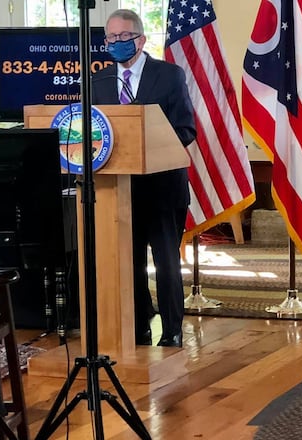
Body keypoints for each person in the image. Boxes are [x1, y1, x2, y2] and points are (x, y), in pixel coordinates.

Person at [92, 9, 196, 347]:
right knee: (130, 260)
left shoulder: (168, 75)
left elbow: (185, 129)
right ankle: (139, 324)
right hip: (119, 188)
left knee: (165, 260)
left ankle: (172, 329)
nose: (117, 43)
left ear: (140, 38)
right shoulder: (99, 82)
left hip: (163, 186)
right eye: (111, 38)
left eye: (124, 37)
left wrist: (148, 145)